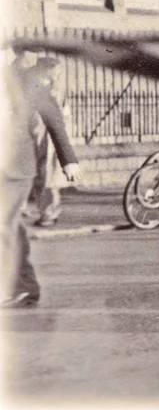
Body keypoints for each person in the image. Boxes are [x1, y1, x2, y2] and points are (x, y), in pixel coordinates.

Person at [2, 65, 81, 308]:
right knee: (10, 225)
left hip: (16, 164)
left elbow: (53, 118)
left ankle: (18, 287)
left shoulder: (21, 79)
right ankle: (25, 286)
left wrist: (68, 160)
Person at [26, 58, 70, 227]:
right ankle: (48, 210)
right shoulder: (41, 87)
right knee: (43, 172)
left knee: (47, 173)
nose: (58, 75)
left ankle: (49, 212)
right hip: (40, 131)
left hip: (48, 134)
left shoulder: (53, 88)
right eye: (55, 71)